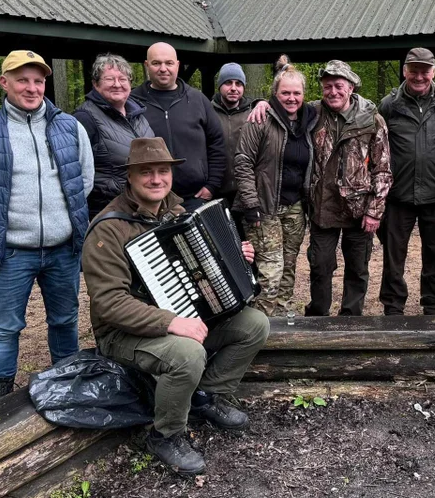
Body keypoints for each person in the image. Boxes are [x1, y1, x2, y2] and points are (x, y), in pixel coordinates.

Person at [82, 137, 268, 475]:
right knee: (187, 354)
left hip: (181, 317)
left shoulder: (177, 212)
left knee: (255, 324)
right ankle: (165, 434)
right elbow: (109, 303)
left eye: (163, 171)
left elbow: (198, 272)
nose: (156, 179)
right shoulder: (108, 229)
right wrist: (171, 322)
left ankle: (206, 396)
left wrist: (236, 260)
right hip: (122, 334)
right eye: (146, 172)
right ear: (131, 177)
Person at [0, 50, 94, 401]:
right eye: (22, 80)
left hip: (63, 248)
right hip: (12, 252)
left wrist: (62, 219)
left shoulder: (70, 127)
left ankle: (67, 382)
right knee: (5, 327)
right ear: (5, 82)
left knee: (64, 320)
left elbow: (84, 179)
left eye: (38, 81)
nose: (31, 88)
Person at [377, 48, 435, 315]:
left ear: (433, 72)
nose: (419, 76)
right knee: (393, 256)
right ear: (405, 71)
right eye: (414, 70)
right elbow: (378, 148)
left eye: (425, 70)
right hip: (397, 195)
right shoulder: (389, 105)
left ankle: (433, 305)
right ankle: (393, 306)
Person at [306, 61, 392, 316]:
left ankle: (351, 319)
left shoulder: (371, 119)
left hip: (359, 209)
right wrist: (262, 105)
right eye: (327, 86)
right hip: (323, 207)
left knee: (357, 268)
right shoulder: (311, 114)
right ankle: (317, 317)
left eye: (338, 86)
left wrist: (375, 211)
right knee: (320, 266)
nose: (333, 92)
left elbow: (383, 168)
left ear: (351, 87)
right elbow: (282, 105)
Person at [234, 62, 318, 316]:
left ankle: (282, 322)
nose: (291, 98)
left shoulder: (310, 120)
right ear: (275, 94)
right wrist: (251, 204)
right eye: (285, 93)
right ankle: (259, 327)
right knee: (270, 272)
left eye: (297, 93)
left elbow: (341, 100)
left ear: (304, 95)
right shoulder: (259, 119)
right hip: (264, 206)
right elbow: (242, 162)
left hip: (295, 207)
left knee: (288, 269)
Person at [130, 42, 226, 212]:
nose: (163, 68)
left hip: (194, 197)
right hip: (148, 201)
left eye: (169, 63)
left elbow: (217, 143)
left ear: (177, 65)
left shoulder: (198, 100)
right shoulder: (132, 103)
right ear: (146, 65)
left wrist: (212, 185)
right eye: (156, 63)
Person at [74, 53, 155, 217]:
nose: (117, 84)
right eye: (109, 79)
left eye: (123, 79)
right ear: (96, 84)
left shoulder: (139, 116)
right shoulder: (85, 118)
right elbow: (73, 173)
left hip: (141, 208)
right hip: (107, 212)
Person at [211, 62, 255, 216]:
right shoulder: (207, 112)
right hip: (215, 190)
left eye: (238, 83)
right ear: (220, 86)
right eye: (228, 83)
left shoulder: (253, 113)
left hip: (244, 192)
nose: (233, 88)